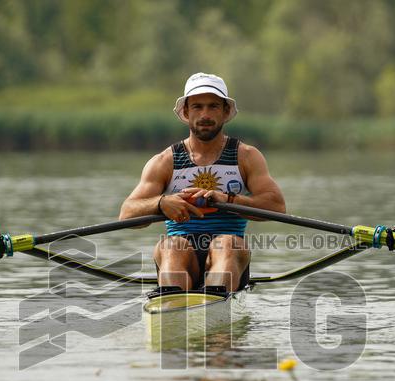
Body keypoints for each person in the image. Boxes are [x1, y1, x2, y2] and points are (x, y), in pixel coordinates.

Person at [119, 72, 286, 293]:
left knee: (227, 243)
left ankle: (211, 303)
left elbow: (277, 207)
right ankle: (174, 304)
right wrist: (161, 203)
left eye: (213, 106)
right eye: (197, 107)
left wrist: (228, 199)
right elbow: (126, 214)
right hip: (181, 255)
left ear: (226, 112)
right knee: (172, 245)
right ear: (186, 112)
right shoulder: (164, 162)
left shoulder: (246, 156)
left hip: (229, 254)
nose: (205, 114)